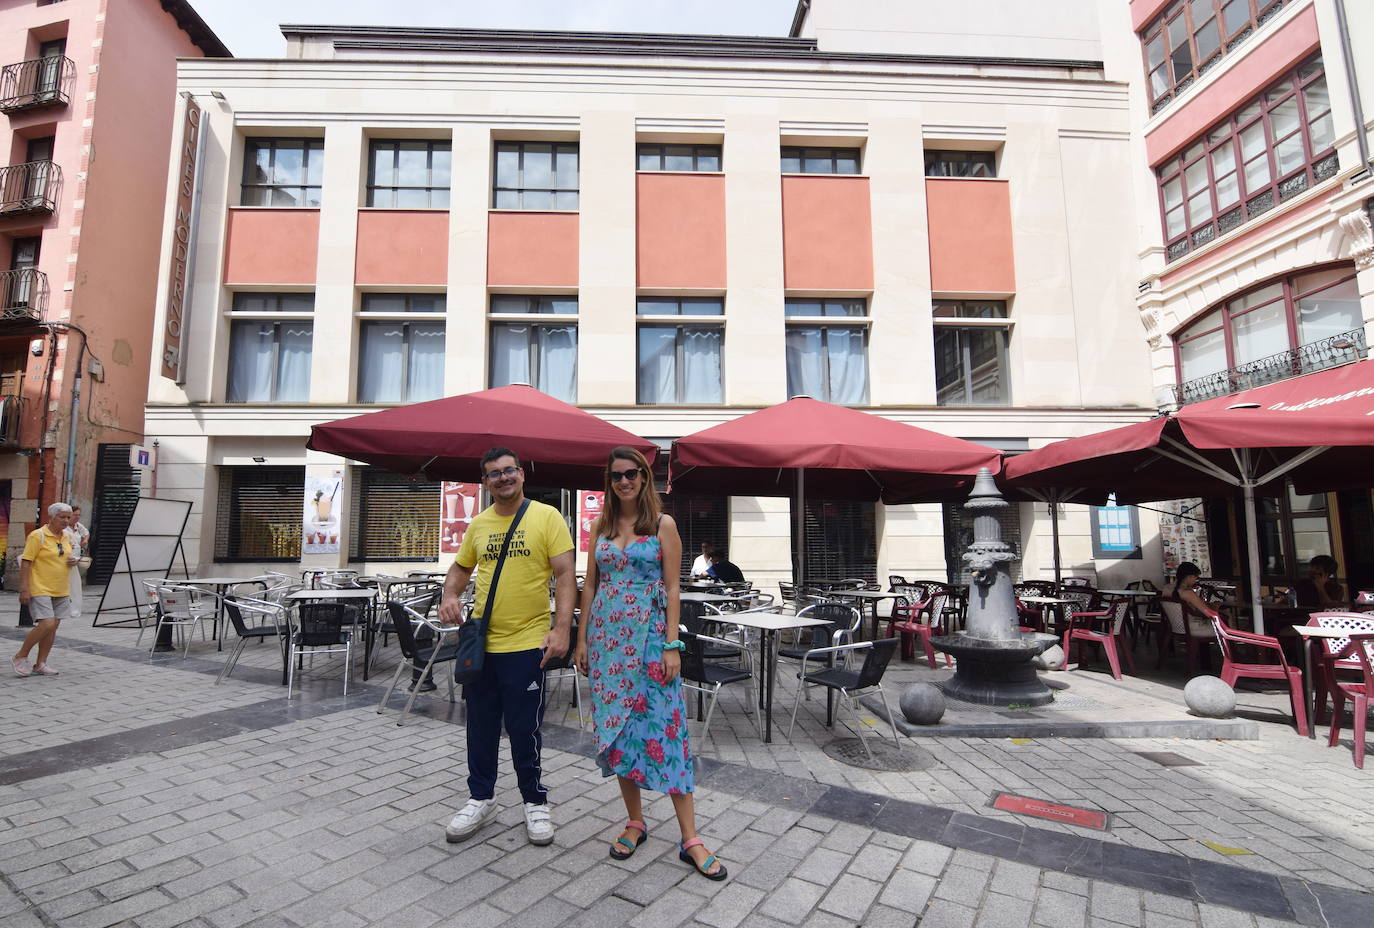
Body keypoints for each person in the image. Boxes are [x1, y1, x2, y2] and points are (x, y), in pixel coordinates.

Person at [575, 446, 727, 881]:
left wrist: (670, 646)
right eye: (617, 475)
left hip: (648, 642)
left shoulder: (663, 525)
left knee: (668, 730)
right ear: (609, 482)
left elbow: (674, 588)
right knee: (618, 732)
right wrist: (582, 639)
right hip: (606, 646)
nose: (624, 481)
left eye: (632, 474)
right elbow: (591, 587)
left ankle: (691, 838)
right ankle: (636, 821)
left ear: (644, 478)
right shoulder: (600, 527)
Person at [437, 447, 575, 847]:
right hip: (481, 645)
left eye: (509, 470)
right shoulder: (478, 525)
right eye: (494, 473)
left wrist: (562, 628)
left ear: (521, 474)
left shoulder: (546, 517)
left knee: (522, 728)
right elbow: (461, 567)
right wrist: (450, 594)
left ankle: (534, 801)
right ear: (485, 482)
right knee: (479, 727)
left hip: (528, 642)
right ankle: (481, 798)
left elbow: (566, 575)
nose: (503, 478)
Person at [12, 503, 79, 677]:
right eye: (62, 517)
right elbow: (27, 562)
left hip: (62, 587)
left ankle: (41, 663)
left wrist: (74, 561)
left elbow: (67, 556)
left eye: (68, 517)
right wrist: (24, 589)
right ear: (51, 517)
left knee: (53, 627)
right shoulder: (38, 535)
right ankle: (20, 656)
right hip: (40, 586)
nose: (66, 521)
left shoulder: (68, 536)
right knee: (47, 623)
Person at [65, 504, 91, 618]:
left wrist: (84, 541)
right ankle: (65, 607)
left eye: (79, 515)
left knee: (75, 586)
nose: (77, 517)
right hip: (65, 560)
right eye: (75, 515)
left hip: (75, 560)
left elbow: (86, 533)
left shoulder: (78, 526)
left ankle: (73, 608)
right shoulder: (64, 527)